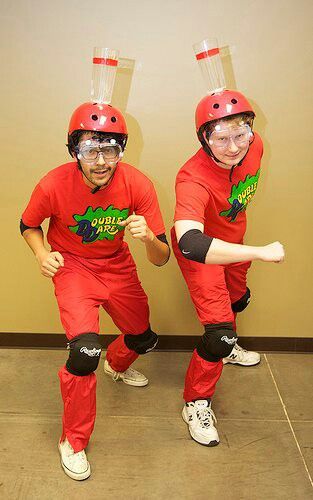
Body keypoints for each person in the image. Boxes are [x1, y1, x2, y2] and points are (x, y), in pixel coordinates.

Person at [21, 101, 170, 480]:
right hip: (72, 268)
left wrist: (149, 238)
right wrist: (42, 254)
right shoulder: (53, 183)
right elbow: (28, 224)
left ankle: (116, 365)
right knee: (84, 353)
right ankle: (73, 440)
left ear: (121, 149)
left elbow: (161, 258)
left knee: (143, 338)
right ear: (75, 151)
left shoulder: (138, 183)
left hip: (117, 265)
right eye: (90, 150)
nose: (101, 161)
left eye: (110, 150)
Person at [171, 89, 285, 447]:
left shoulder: (256, 146)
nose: (234, 147)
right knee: (217, 334)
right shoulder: (192, 178)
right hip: (202, 251)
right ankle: (196, 402)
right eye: (221, 138)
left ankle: (230, 344)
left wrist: (245, 252)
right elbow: (190, 242)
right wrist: (260, 252)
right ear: (205, 138)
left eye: (241, 135)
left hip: (233, 244)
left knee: (238, 301)